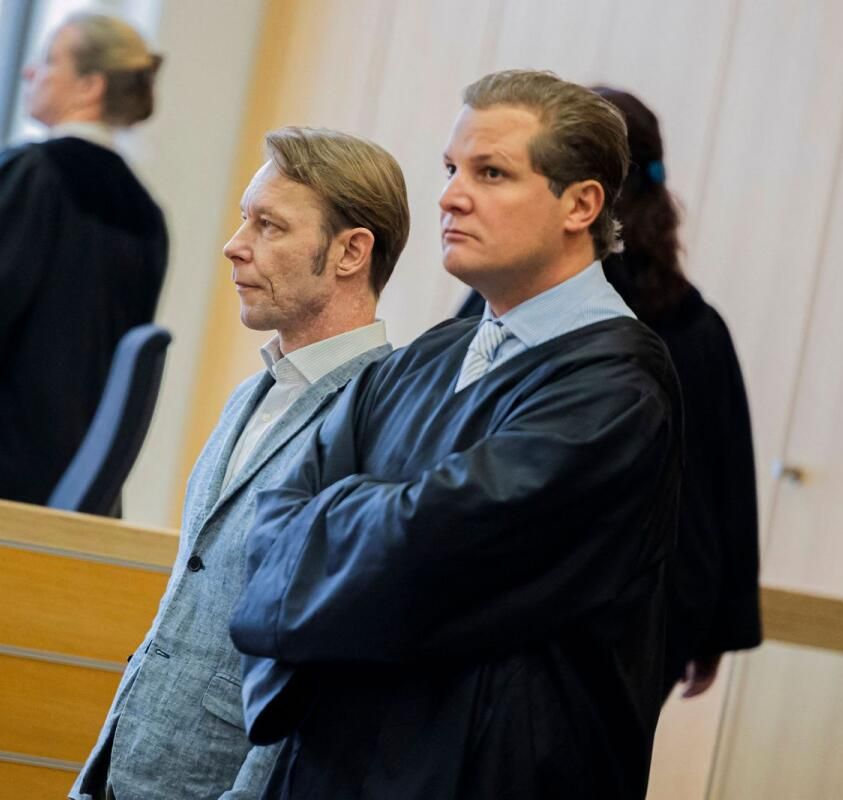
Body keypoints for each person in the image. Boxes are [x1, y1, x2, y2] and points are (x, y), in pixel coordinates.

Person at [230, 70, 684, 799]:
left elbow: (432, 548)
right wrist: (378, 520)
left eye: (491, 173)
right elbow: (273, 524)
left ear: (581, 205)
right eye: (450, 169)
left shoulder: (616, 390)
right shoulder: (427, 357)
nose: (450, 197)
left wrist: (344, 517)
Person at [71, 127, 410, 800]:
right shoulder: (251, 394)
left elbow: (324, 660)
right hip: (128, 762)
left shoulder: (384, 419)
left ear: (351, 252)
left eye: (269, 225)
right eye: (243, 219)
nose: (235, 244)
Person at [0, 12, 167, 504]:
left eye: (48, 60)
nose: (30, 72)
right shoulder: (145, 212)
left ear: (90, 85)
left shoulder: (26, 175)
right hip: (81, 477)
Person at [591, 86, 761, 699]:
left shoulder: (533, 298)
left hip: (592, 601)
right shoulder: (698, 322)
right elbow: (730, 482)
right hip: (667, 605)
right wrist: (719, 628)